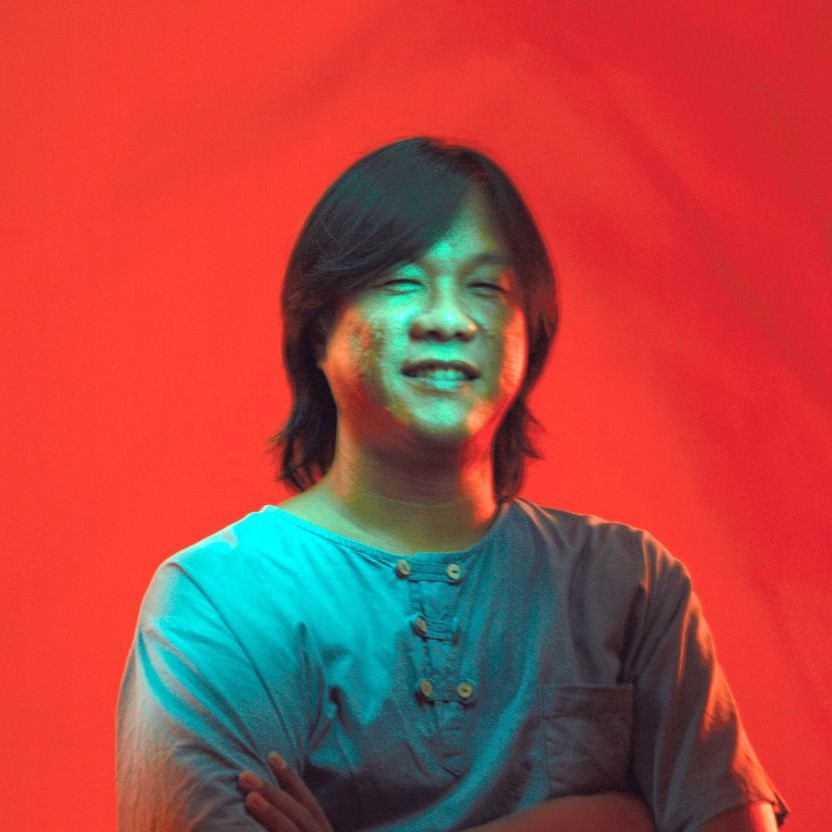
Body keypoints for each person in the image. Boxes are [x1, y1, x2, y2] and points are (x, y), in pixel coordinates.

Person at [116, 137, 789, 831]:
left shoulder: (630, 584)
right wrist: (606, 819)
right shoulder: (222, 600)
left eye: (487, 288)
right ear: (319, 331)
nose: (448, 320)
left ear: (530, 335)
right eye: (401, 283)